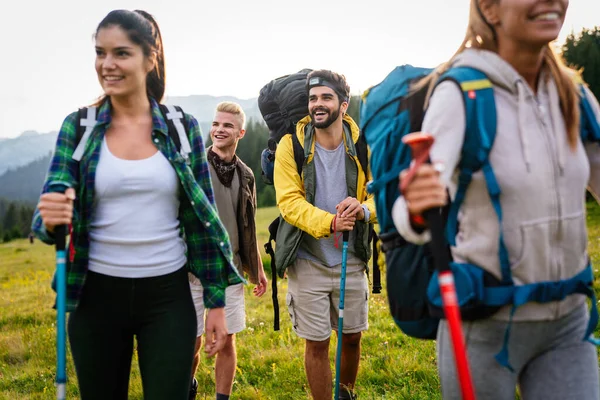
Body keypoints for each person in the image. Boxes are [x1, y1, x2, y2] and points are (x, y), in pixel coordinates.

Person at [392, 1, 600, 399]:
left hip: (569, 322)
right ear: (489, 8)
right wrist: (418, 207)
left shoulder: (574, 94)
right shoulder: (461, 93)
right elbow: (411, 211)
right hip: (485, 323)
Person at [31, 9, 242, 400]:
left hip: (167, 297)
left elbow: (203, 222)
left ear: (150, 58)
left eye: (121, 53)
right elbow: (49, 211)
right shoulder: (78, 127)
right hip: (95, 297)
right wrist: (50, 216)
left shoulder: (181, 127)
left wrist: (216, 302)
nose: (107, 64)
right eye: (100, 52)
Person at [273, 69, 376, 400]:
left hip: (352, 257)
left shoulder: (362, 146)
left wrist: (363, 210)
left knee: (351, 337)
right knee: (317, 342)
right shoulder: (291, 146)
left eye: (326, 98)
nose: (317, 104)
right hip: (307, 259)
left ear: (343, 105)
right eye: (313, 98)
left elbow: (381, 193)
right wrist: (329, 222)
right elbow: (289, 203)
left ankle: (346, 395)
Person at [188, 101, 268, 400]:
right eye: (216, 124)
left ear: (241, 133)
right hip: (193, 271)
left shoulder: (246, 175)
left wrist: (258, 270)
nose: (220, 130)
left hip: (231, 271)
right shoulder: (195, 166)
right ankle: (188, 387)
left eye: (228, 126)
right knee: (192, 343)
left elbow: (248, 227)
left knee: (225, 341)